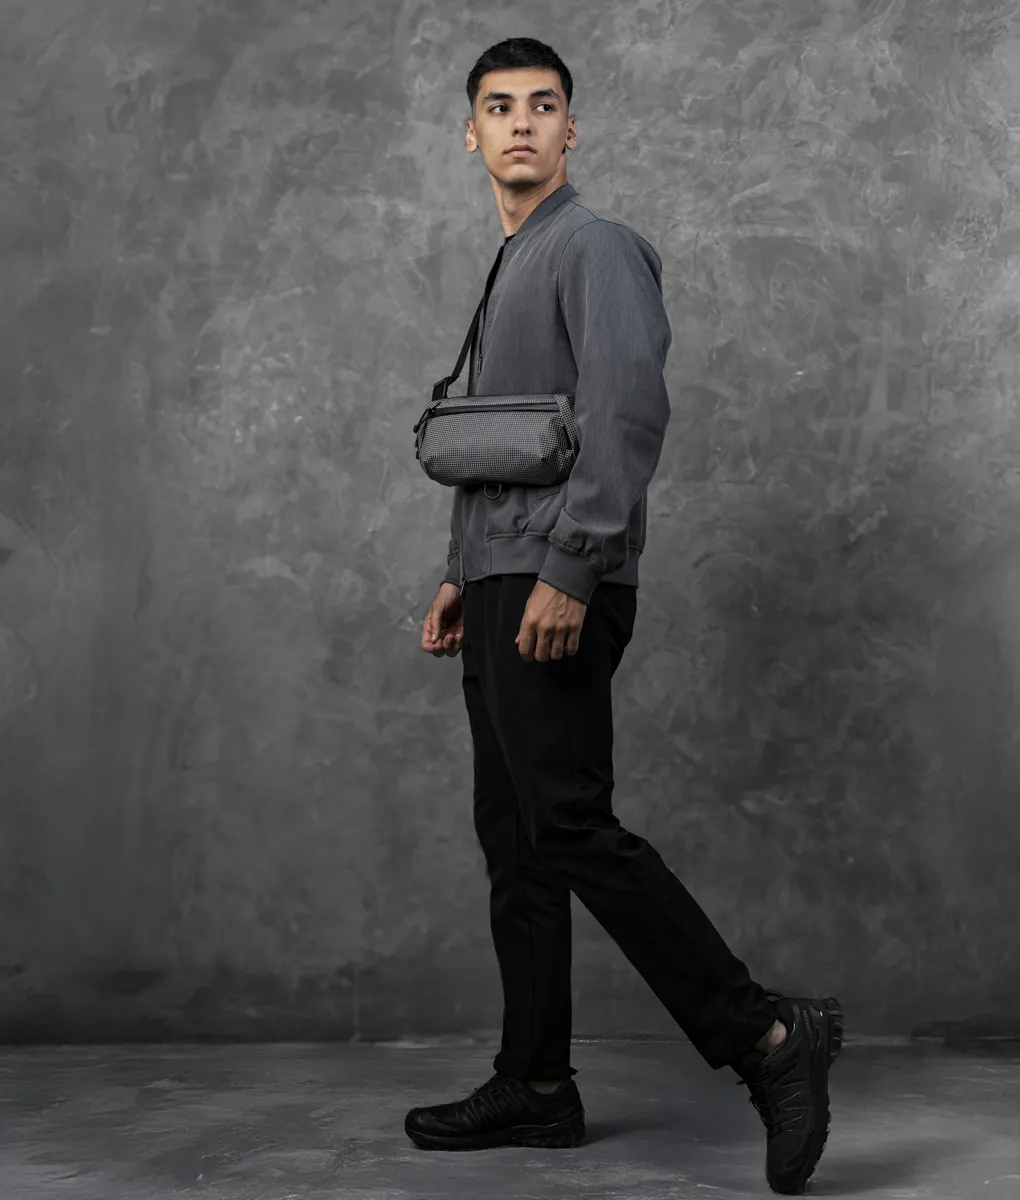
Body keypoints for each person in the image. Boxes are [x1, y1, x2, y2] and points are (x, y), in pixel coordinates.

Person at [410, 37, 843, 1196]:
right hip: (500, 576)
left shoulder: (594, 245)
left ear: (571, 129)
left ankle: (766, 1035)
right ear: (469, 131)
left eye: (542, 105)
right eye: (498, 106)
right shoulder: (514, 260)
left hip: (553, 579)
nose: (520, 123)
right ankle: (536, 1085)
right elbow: (506, 439)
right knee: (517, 840)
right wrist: (460, 569)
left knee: (566, 824)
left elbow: (627, 410)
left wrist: (571, 566)